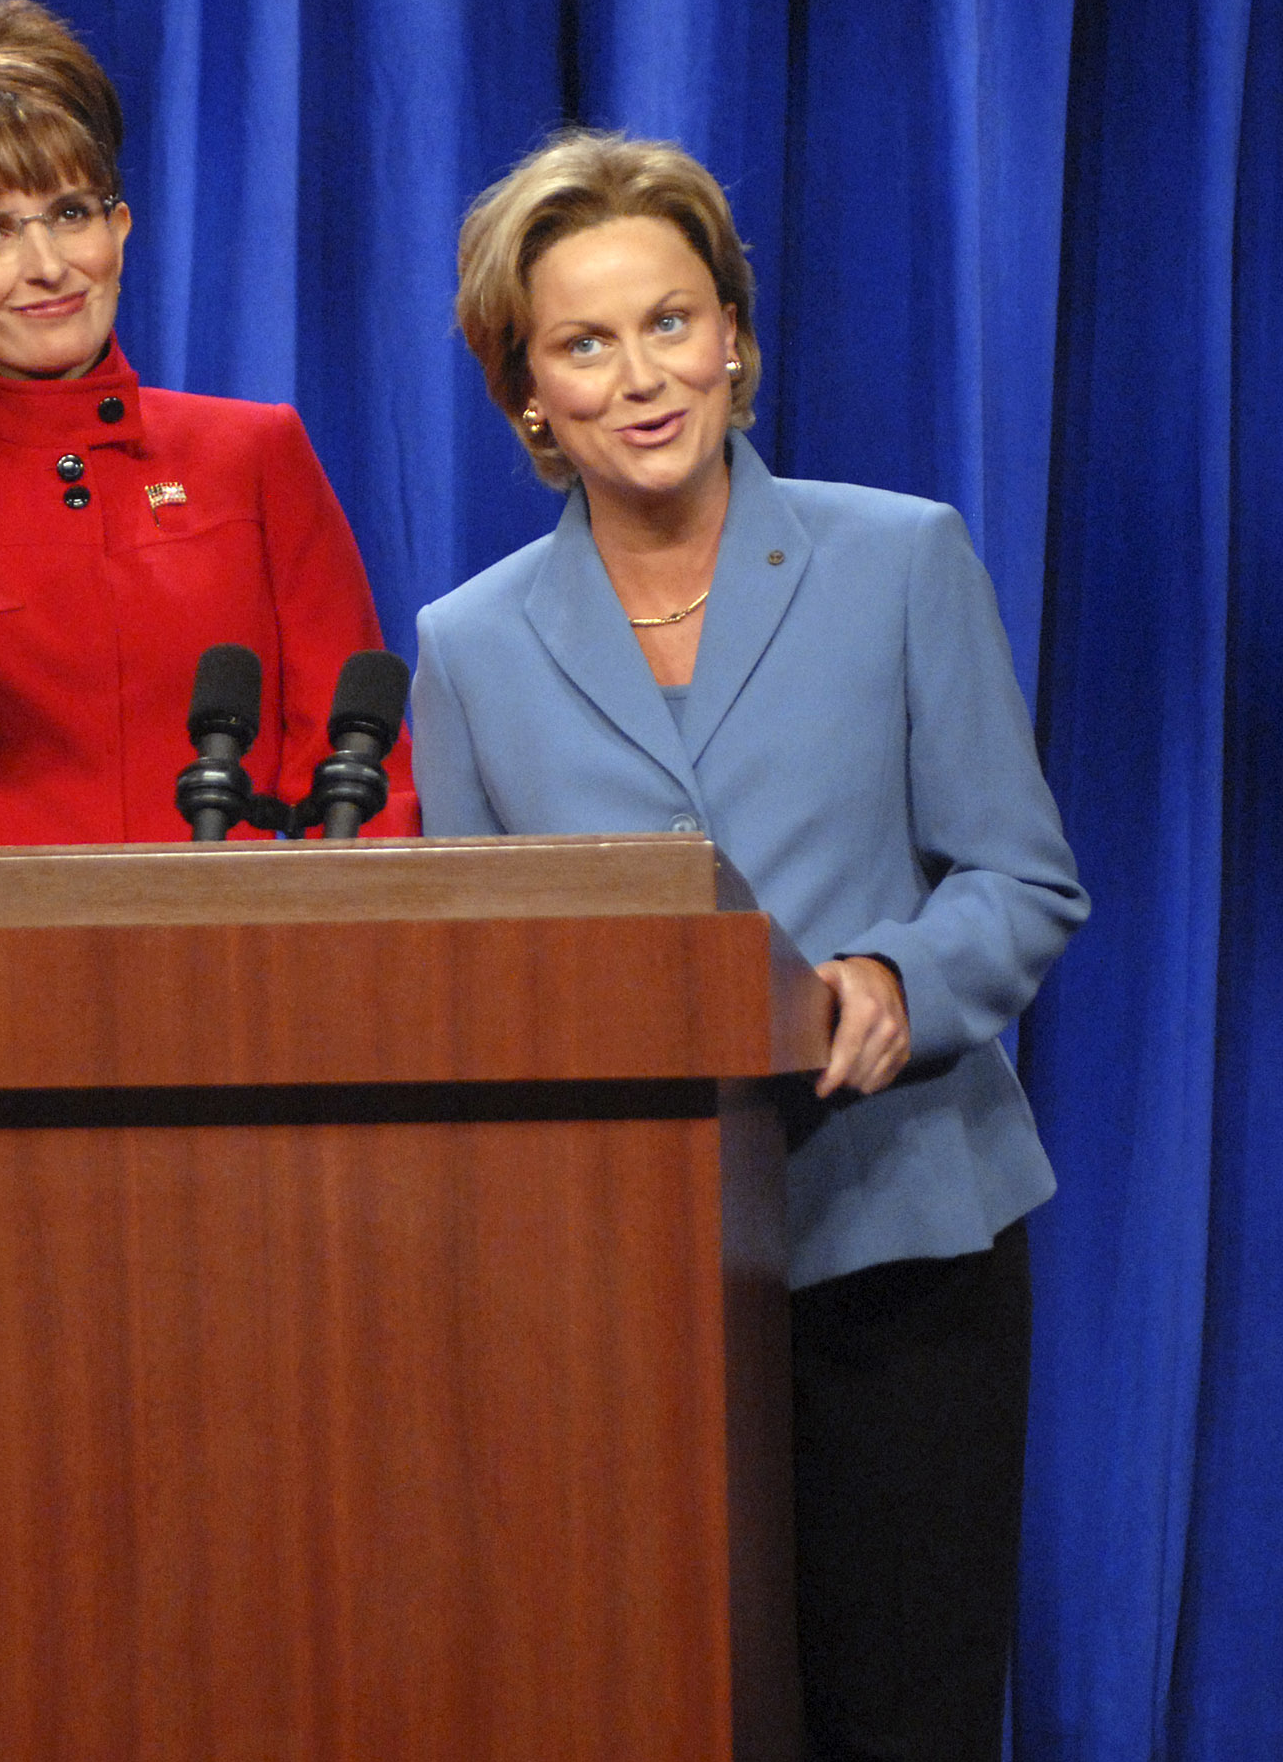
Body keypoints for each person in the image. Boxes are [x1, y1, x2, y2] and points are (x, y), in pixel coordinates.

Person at [412, 130, 1087, 1760]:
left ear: (736, 337)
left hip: (902, 1240)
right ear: (530, 398)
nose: (642, 377)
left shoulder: (900, 556)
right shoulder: (467, 645)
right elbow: (476, 980)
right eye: (586, 342)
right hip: (619, 1294)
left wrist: (893, 985)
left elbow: (1022, 877)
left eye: (671, 320)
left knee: (898, 1713)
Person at [0, 0, 414, 844]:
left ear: (120, 227)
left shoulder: (252, 451)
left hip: (241, 954)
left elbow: (356, 774)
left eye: (70, 212)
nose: (46, 266)